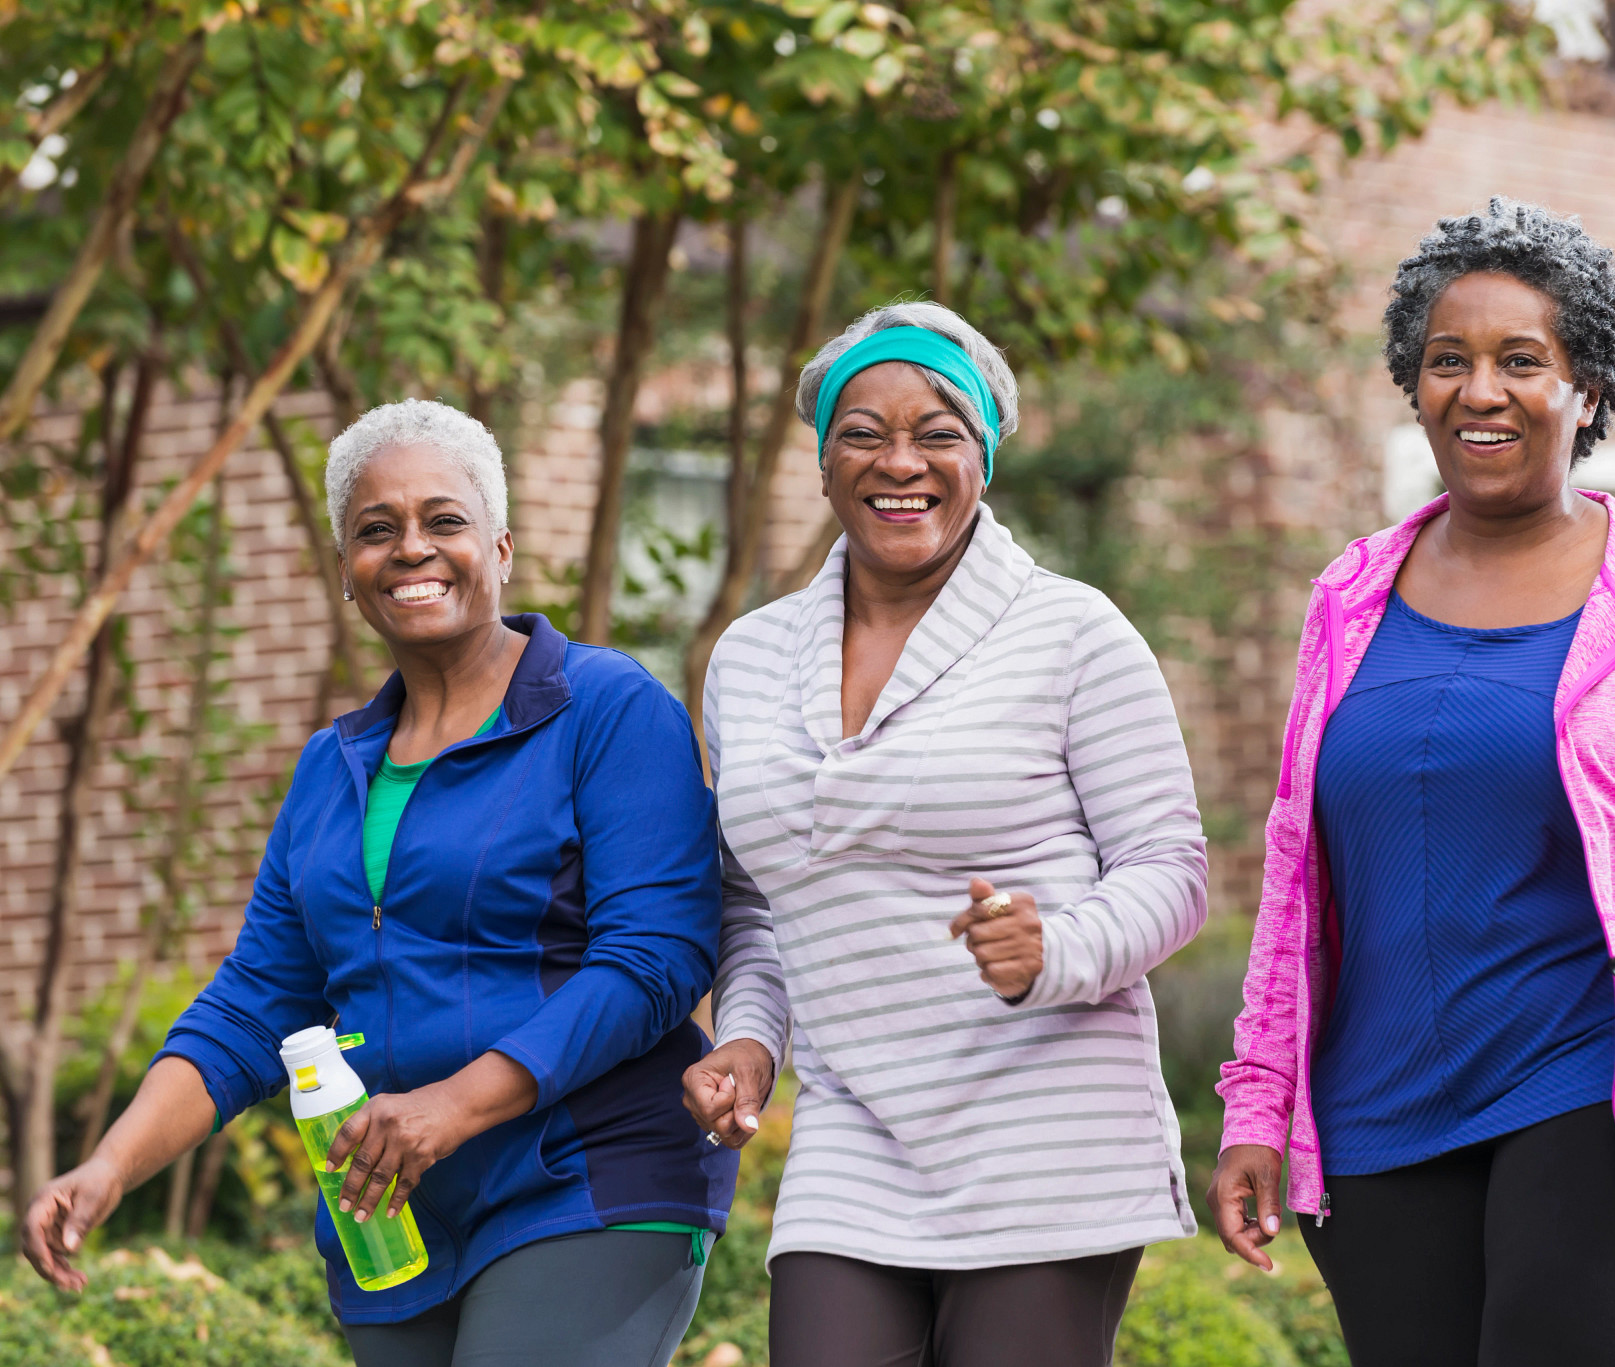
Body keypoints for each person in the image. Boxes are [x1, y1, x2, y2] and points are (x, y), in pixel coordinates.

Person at [1208, 200, 1615, 1366]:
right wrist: (1258, 1101)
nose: (1478, 390)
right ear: (1412, 382)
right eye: (1447, 360)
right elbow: (1298, 873)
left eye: (1519, 360)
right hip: (1379, 1112)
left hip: (1612, 1091)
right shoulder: (1346, 599)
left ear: (1585, 388)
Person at [20, 399, 737, 1367]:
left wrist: (453, 1103)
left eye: (443, 521)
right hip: (389, 1222)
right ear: (347, 576)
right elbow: (254, 1003)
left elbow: (657, 958)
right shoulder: (332, 767)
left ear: (501, 547)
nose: (411, 548)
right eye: (375, 529)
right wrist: (111, 1164)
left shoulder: (605, 710)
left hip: (587, 1183)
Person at [681, 301, 1208, 1366]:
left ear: (985, 457)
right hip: (854, 1127)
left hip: (1044, 1129)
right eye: (862, 431)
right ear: (823, 460)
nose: (899, 461)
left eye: (938, 432)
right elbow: (753, 899)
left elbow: (1170, 869)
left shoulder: (1069, 632)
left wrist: (1054, 948)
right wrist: (748, 1036)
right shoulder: (748, 657)